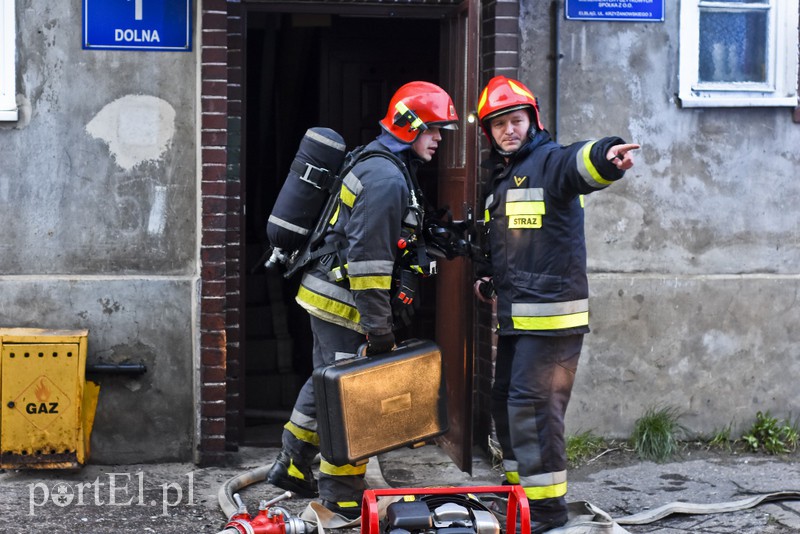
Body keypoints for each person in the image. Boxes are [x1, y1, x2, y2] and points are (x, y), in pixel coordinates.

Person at [267, 81, 459, 520]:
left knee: (327, 384)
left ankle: (293, 463)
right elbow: (369, 261)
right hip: (346, 304)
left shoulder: (381, 162)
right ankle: (342, 496)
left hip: (330, 296)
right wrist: (380, 330)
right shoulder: (387, 177)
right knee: (349, 399)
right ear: (409, 126)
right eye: (433, 129)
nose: (439, 139)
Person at [473, 75, 639, 533]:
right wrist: (487, 275)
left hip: (552, 322)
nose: (509, 129)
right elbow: (505, 244)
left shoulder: (548, 162)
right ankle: (518, 499)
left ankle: (545, 513)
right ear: (488, 132)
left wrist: (607, 156)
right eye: (499, 124)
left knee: (533, 407)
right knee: (505, 401)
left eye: (516, 120)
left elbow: (579, 164)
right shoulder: (501, 181)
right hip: (517, 320)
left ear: (533, 121)